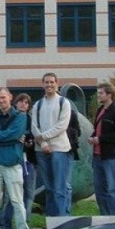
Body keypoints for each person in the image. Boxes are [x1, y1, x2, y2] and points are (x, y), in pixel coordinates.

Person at [0, 87, 31, 229]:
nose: (1, 101)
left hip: (12, 163)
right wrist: (8, 138)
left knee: (17, 200)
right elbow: (7, 136)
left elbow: (14, 134)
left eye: (3, 97)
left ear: (10, 97)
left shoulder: (21, 117)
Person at [31, 72, 72, 217]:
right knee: (48, 188)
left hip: (59, 149)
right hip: (41, 150)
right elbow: (34, 126)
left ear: (57, 83)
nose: (49, 85)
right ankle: (51, 221)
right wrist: (42, 144)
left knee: (60, 187)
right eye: (46, 82)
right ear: (42, 84)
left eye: (52, 82)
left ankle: (62, 220)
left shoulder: (63, 103)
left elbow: (62, 126)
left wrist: (43, 137)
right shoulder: (38, 104)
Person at [88, 82, 115, 215]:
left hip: (110, 155)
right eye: (98, 93)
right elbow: (98, 130)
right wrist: (93, 137)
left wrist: (100, 139)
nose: (99, 95)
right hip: (97, 155)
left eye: (101, 93)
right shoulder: (100, 110)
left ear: (109, 94)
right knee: (100, 189)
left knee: (112, 188)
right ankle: (104, 216)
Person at [1, 93, 36, 229]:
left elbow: (34, 136)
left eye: (27, 102)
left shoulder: (31, 119)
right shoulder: (11, 118)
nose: (23, 104)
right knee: (12, 194)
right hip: (14, 160)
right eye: (21, 101)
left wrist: (30, 142)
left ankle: (24, 223)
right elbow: (6, 135)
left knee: (28, 193)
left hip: (29, 160)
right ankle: (5, 224)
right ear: (15, 103)